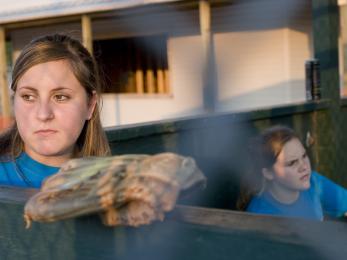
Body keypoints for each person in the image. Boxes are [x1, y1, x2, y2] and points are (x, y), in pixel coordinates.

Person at [0, 33, 111, 188]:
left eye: (60, 97)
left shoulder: (113, 184)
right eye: (28, 96)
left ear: (90, 105)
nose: (43, 114)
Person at [237, 125, 347, 221]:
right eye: (292, 162)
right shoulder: (261, 216)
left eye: (304, 156)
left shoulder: (313, 181)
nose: (304, 166)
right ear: (268, 173)